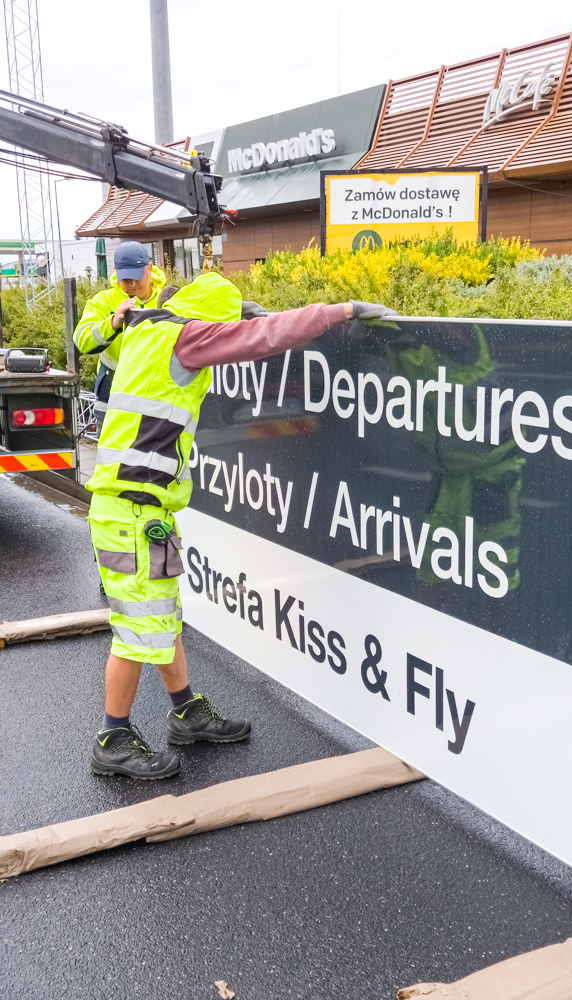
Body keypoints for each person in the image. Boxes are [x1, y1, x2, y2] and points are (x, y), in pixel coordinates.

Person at [85, 271, 397, 779]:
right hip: (130, 510)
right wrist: (336, 313)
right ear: (208, 319)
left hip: (139, 511)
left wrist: (245, 314)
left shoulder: (144, 330)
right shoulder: (185, 337)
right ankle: (112, 737)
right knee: (137, 627)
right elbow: (259, 340)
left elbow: (188, 315)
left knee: (162, 614)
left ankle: (186, 712)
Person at [73, 242, 167, 429]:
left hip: (156, 400)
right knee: (111, 457)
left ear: (149, 269)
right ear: (116, 271)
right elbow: (81, 340)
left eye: (135, 278)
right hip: (112, 400)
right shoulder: (104, 300)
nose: (130, 285)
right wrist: (112, 324)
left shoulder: (167, 299)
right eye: (125, 279)